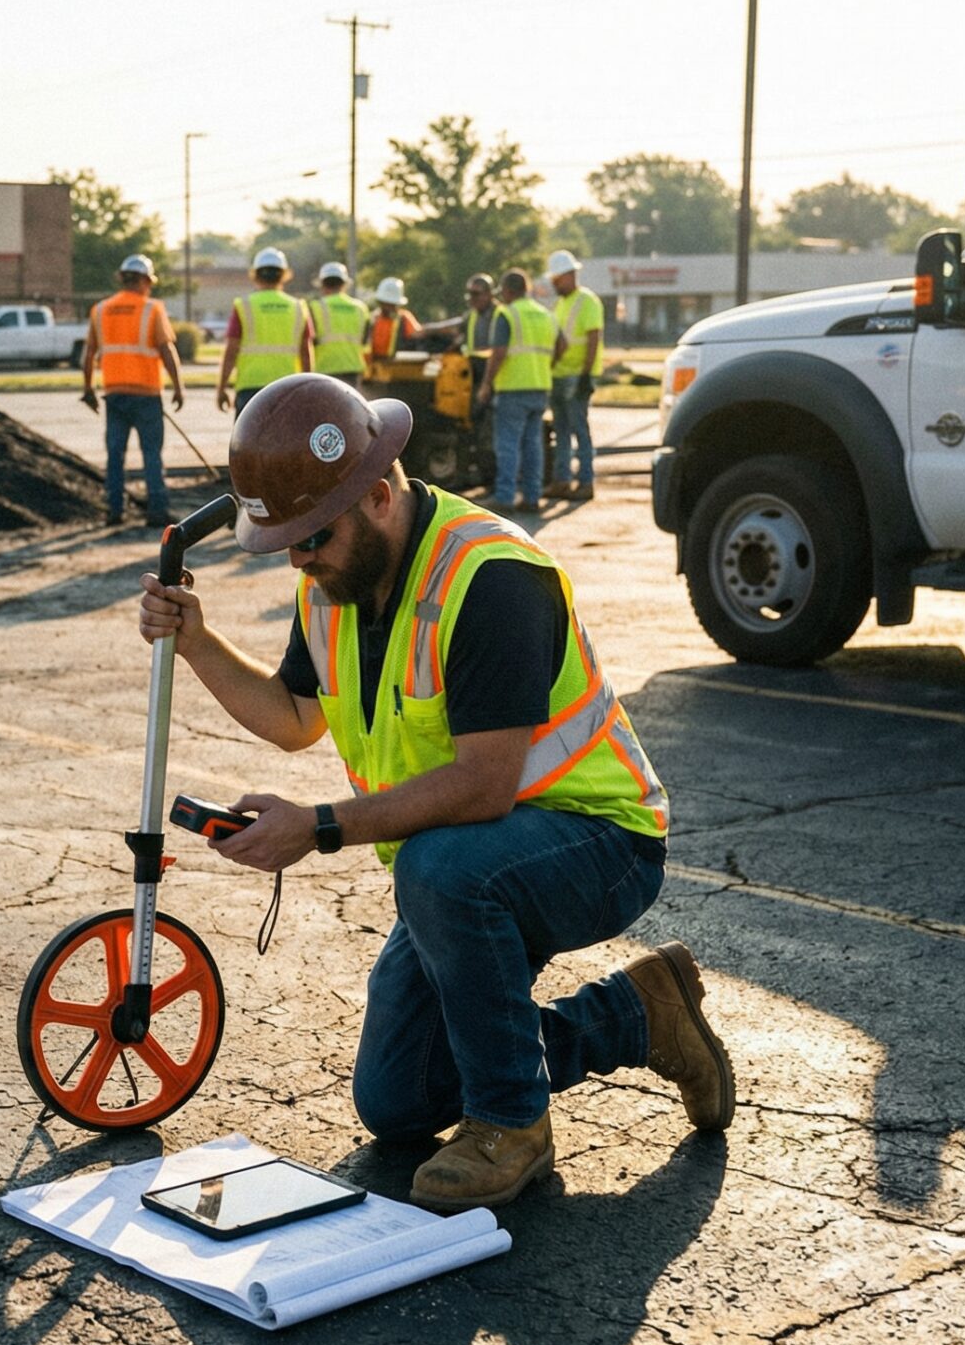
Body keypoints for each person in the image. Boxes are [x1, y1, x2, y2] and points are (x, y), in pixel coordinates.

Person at [135, 374, 735, 1212]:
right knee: (400, 1100)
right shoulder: (333, 587)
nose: (301, 561)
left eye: (314, 538)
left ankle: (511, 1123)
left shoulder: (491, 575)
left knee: (440, 869)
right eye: (290, 544)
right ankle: (639, 1015)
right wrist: (197, 641)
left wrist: (318, 825)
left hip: (600, 844)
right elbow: (294, 716)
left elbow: (485, 786)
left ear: (378, 493)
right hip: (467, 859)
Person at [81, 253, 186, 527]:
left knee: (115, 454)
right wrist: (178, 386)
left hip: (114, 393)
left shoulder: (100, 310)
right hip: (147, 394)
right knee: (151, 453)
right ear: (144, 281)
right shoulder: (152, 309)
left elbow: (90, 353)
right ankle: (157, 510)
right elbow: (166, 350)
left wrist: (88, 389)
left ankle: (114, 511)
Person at [471, 269, 556, 512]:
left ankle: (505, 497)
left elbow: (498, 354)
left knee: (508, 445)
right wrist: (543, 367)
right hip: (540, 388)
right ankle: (532, 497)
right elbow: (561, 345)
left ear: (508, 291)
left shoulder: (507, 314)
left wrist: (486, 384)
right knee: (533, 446)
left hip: (512, 390)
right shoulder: (545, 314)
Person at [216, 248, 315, 415]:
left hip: (250, 387)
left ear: (255, 275)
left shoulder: (244, 305)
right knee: (286, 440)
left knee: (248, 439)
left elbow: (231, 351)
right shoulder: (298, 307)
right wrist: (309, 389)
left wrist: (222, 387)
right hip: (288, 386)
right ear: (283, 275)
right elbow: (305, 352)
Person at [545, 250, 605, 501]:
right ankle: (562, 481)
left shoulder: (587, 301)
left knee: (579, 430)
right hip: (559, 375)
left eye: (557, 280)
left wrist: (585, 374)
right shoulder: (560, 304)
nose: (554, 284)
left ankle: (586, 482)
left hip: (577, 376)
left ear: (569, 275)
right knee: (561, 431)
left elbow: (593, 338)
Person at [308, 262, 370, 389]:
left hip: (324, 370)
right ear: (344, 284)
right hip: (352, 370)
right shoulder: (360, 308)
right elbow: (365, 341)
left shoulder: (315, 307)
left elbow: (309, 341)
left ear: (323, 284)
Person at [367, 277, 422, 361]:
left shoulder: (404, 318)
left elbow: (417, 334)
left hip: (399, 366)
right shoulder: (372, 319)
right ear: (380, 302)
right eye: (386, 303)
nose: (389, 307)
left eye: (392, 304)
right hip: (375, 366)